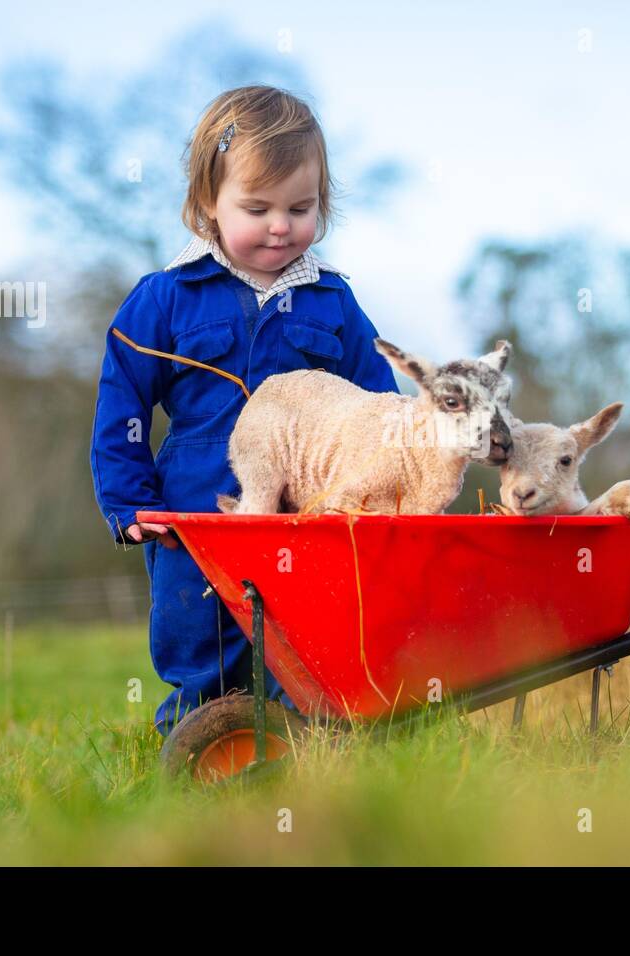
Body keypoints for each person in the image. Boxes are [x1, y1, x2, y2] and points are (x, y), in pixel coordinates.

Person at [89, 85, 399, 737]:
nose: (281, 225)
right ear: (208, 202)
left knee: (306, 656)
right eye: (257, 208)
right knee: (202, 655)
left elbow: (377, 408)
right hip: (197, 519)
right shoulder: (166, 298)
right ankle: (200, 749)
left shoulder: (332, 302)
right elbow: (123, 403)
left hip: (304, 522)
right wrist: (129, 503)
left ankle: (309, 763)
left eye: (301, 207)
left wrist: (386, 491)